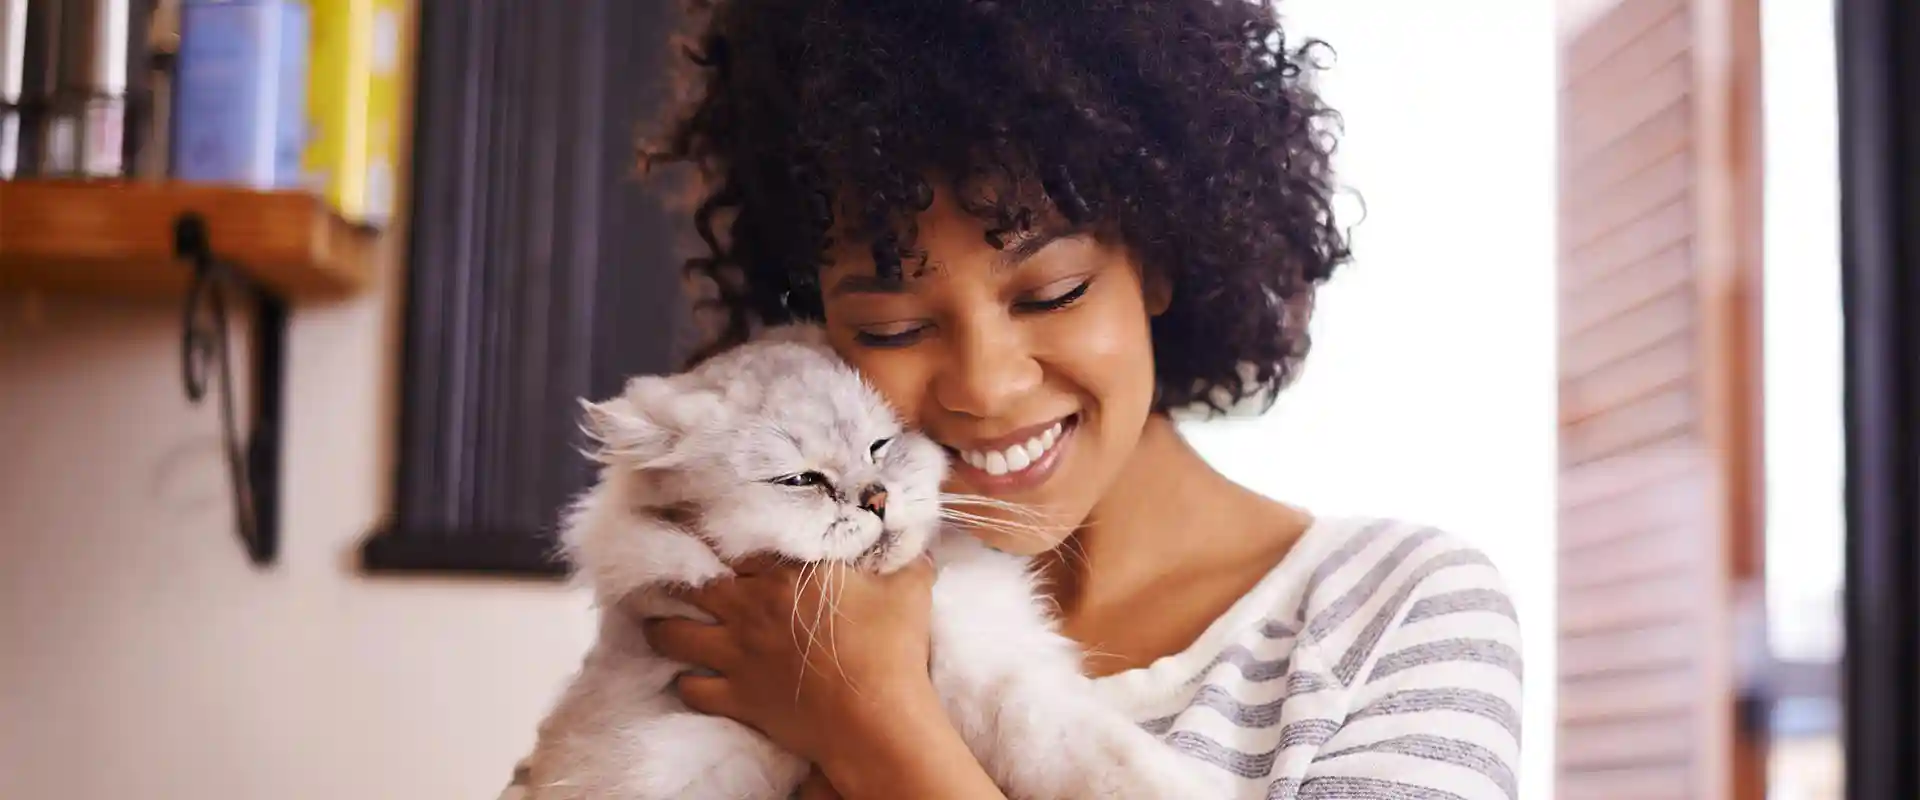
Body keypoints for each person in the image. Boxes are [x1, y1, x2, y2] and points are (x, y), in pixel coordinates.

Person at [504, 1, 1522, 798]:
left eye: (1052, 291)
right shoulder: (757, 607)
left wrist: (878, 725)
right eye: (896, 326)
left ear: (1159, 259)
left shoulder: (1394, 615)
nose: (986, 384)